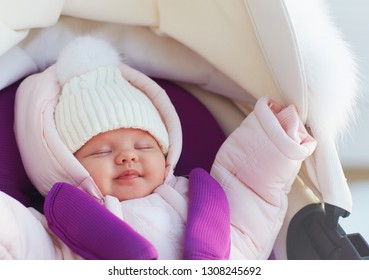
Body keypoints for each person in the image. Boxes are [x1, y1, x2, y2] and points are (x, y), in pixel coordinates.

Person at [3, 36, 316, 260]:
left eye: (143, 145)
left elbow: (250, 184)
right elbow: (18, 236)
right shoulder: (62, 232)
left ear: (166, 153)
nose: (128, 156)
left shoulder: (198, 198)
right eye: (101, 152)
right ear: (65, 165)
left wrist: (275, 138)